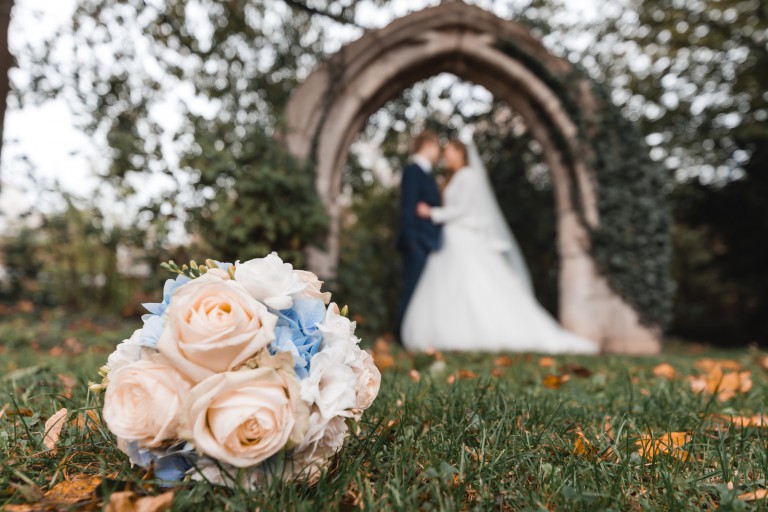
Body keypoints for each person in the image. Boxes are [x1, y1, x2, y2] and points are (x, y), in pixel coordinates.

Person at [401, 139, 599, 354]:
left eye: (448, 152)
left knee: (471, 285)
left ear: (461, 153)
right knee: (451, 287)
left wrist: (433, 213)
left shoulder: (468, 176)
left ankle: (478, 333)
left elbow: (463, 210)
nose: (444, 156)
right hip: (451, 238)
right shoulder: (454, 178)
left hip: (462, 236)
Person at [395, 130, 443, 343]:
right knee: (412, 290)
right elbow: (409, 207)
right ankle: (400, 335)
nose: (438, 152)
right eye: (437, 147)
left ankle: (412, 336)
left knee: (420, 292)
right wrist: (412, 241)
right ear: (428, 145)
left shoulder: (425, 173)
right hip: (417, 241)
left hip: (425, 242)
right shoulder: (414, 171)